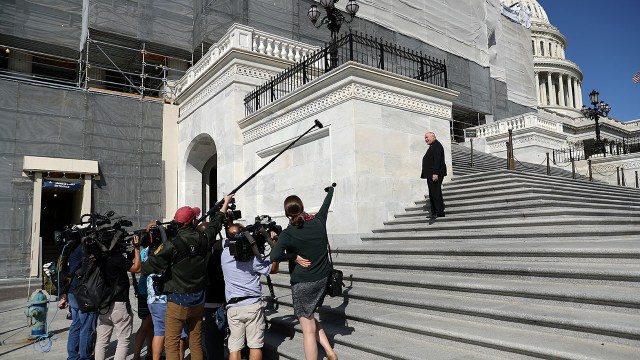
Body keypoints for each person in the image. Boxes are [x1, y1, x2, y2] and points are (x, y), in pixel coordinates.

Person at [141, 195, 232, 360]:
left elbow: (147, 267)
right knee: (195, 340)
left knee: (172, 342)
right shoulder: (204, 239)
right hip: (199, 298)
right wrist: (224, 204)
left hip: (177, 299)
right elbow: (216, 224)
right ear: (192, 222)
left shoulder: (171, 245)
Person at [270, 185, 338, 360]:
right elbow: (326, 203)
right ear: (302, 206)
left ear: (287, 214)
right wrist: (330, 190)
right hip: (322, 279)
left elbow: (274, 256)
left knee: (307, 329)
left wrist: (293, 256)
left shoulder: (288, 233)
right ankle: (330, 352)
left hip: (303, 284)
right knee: (309, 316)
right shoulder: (319, 220)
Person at [220, 223, 277, 360]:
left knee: (235, 347)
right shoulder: (253, 257)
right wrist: (274, 245)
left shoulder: (224, 255)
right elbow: (273, 270)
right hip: (252, 305)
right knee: (255, 345)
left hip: (233, 307)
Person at [94, 235, 142, 360]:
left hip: (103, 304)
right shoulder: (116, 258)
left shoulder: (98, 259)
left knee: (102, 341)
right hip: (119, 303)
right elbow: (137, 268)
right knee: (123, 340)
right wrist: (137, 249)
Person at [58, 238, 98, 360]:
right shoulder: (84, 248)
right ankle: (85, 357)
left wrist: (64, 294)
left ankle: (73, 356)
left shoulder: (71, 247)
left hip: (72, 290)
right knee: (87, 326)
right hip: (83, 292)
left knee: (76, 324)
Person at [132, 250, 154, 360]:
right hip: (149, 291)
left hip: (143, 290)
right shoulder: (153, 250)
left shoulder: (143, 251)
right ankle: (137, 356)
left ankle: (150, 353)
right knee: (146, 325)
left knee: (150, 325)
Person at [421, 131, 447, 218]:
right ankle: (435, 212)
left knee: (435, 192)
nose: (426, 139)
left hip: (435, 173)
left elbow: (437, 160)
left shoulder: (437, 146)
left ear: (434, 137)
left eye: (427, 137)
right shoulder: (433, 145)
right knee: (433, 192)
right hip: (431, 173)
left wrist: (435, 173)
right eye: (425, 138)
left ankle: (439, 211)